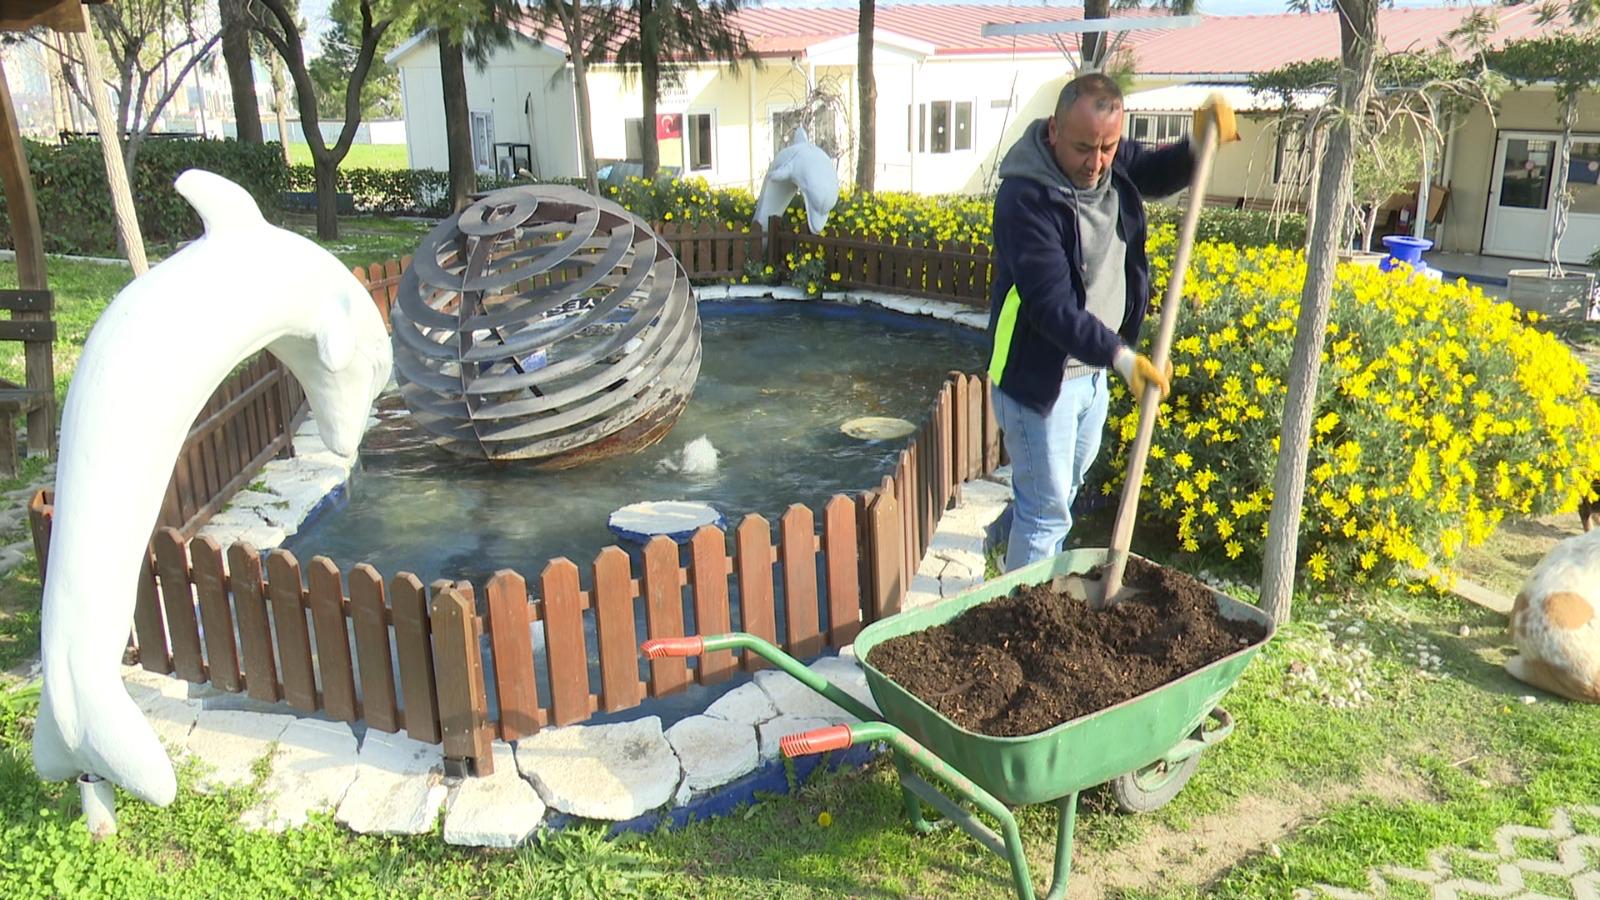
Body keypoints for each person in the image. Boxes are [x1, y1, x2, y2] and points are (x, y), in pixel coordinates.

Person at [986, 73, 1239, 573]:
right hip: (1040, 378)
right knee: (1046, 517)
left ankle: (1000, 535)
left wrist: (1197, 142)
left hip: (1092, 372)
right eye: (1084, 148)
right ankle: (1013, 625)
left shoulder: (1110, 158)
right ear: (1054, 130)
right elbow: (1051, 308)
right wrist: (1123, 357)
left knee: (1061, 492)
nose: (1096, 162)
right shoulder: (1025, 198)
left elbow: (1152, 170)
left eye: (1108, 147)